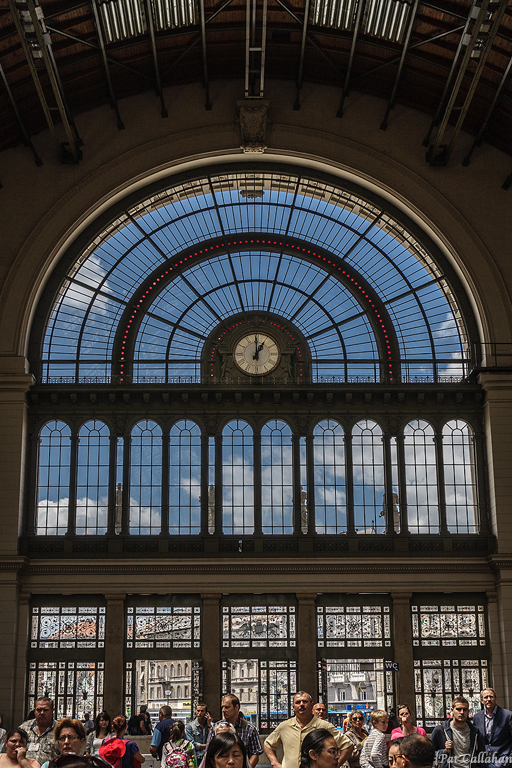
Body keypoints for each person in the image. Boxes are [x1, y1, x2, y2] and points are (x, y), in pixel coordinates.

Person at [264, 691, 352, 768]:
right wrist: (274, 763)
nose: (301, 704)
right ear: (293, 707)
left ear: (311, 705)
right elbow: (268, 744)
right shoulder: (284, 726)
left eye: (305, 702)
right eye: (298, 702)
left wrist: (336, 764)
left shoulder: (325, 726)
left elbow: (347, 746)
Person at [205, 696, 262, 768]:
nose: (223, 710)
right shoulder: (216, 727)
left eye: (227, 707)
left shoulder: (250, 729)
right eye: (222, 707)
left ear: (236, 707)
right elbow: (208, 751)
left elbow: (255, 754)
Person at [430, 696, 485, 768]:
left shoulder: (476, 733)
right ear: (452, 710)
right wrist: (445, 751)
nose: (462, 712)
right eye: (458, 709)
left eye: (464, 710)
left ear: (468, 712)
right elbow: (429, 754)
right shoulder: (440, 730)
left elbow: (482, 757)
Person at [472, 688, 512, 768]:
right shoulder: (477, 717)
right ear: (482, 700)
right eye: (486, 697)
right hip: (483, 761)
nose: (489, 699)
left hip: (502, 761)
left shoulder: (507, 715)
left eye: (491, 697)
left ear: (496, 699)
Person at [19, 698, 58, 767]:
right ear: (34, 711)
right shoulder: (24, 728)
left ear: (52, 711)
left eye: (45, 710)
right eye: (39, 710)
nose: (42, 713)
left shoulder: (59, 729)